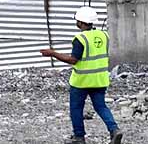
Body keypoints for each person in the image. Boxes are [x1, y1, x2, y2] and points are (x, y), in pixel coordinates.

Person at [39, 7, 123, 144]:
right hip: (100, 80)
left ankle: (79, 137)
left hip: (82, 81)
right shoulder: (104, 35)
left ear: (81, 22)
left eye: (78, 20)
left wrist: (53, 53)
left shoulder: (80, 39)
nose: (77, 22)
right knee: (101, 106)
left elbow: (73, 60)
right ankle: (114, 130)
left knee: (76, 108)